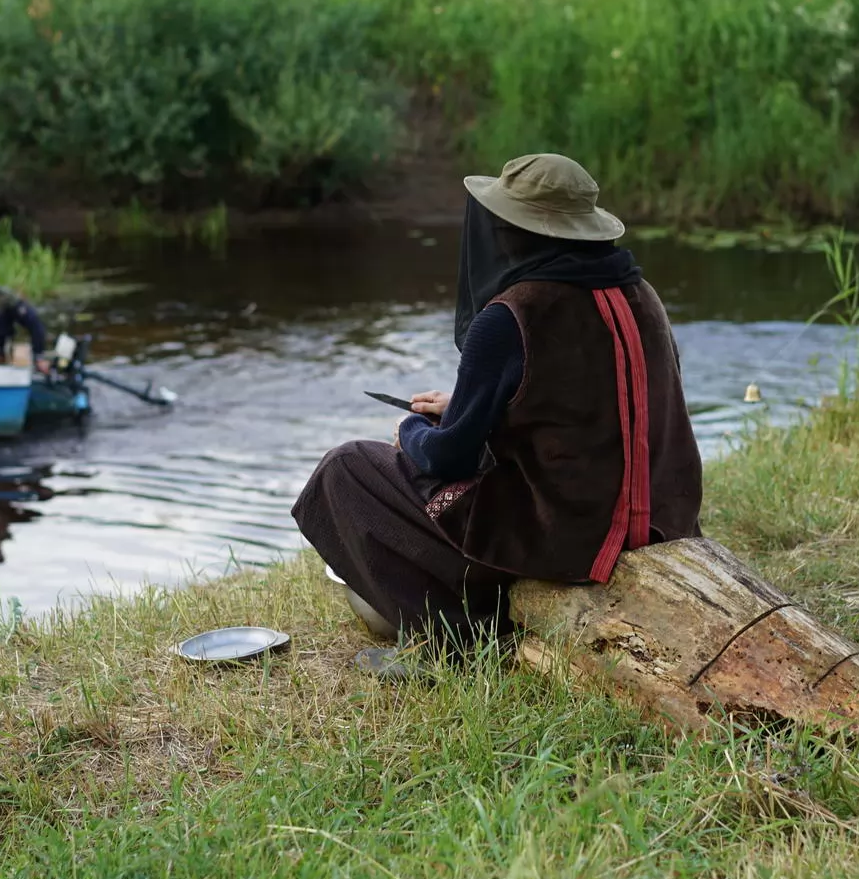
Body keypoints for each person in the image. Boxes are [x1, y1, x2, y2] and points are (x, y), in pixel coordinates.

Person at [293, 153, 703, 649]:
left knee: (347, 467)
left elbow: (449, 457)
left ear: (517, 231)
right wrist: (465, 405)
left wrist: (411, 433)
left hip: (574, 538)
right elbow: (600, 406)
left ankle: (460, 636)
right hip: (662, 518)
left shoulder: (513, 313)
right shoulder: (642, 295)